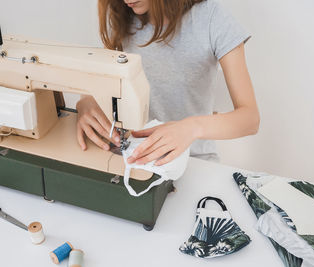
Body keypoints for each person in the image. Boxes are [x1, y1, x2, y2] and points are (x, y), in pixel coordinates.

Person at [76, 0, 259, 166]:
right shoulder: (119, 13)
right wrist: (86, 100)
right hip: (131, 155)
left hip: (193, 160)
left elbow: (250, 119)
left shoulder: (211, 17)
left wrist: (190, 128)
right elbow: (99, 76)